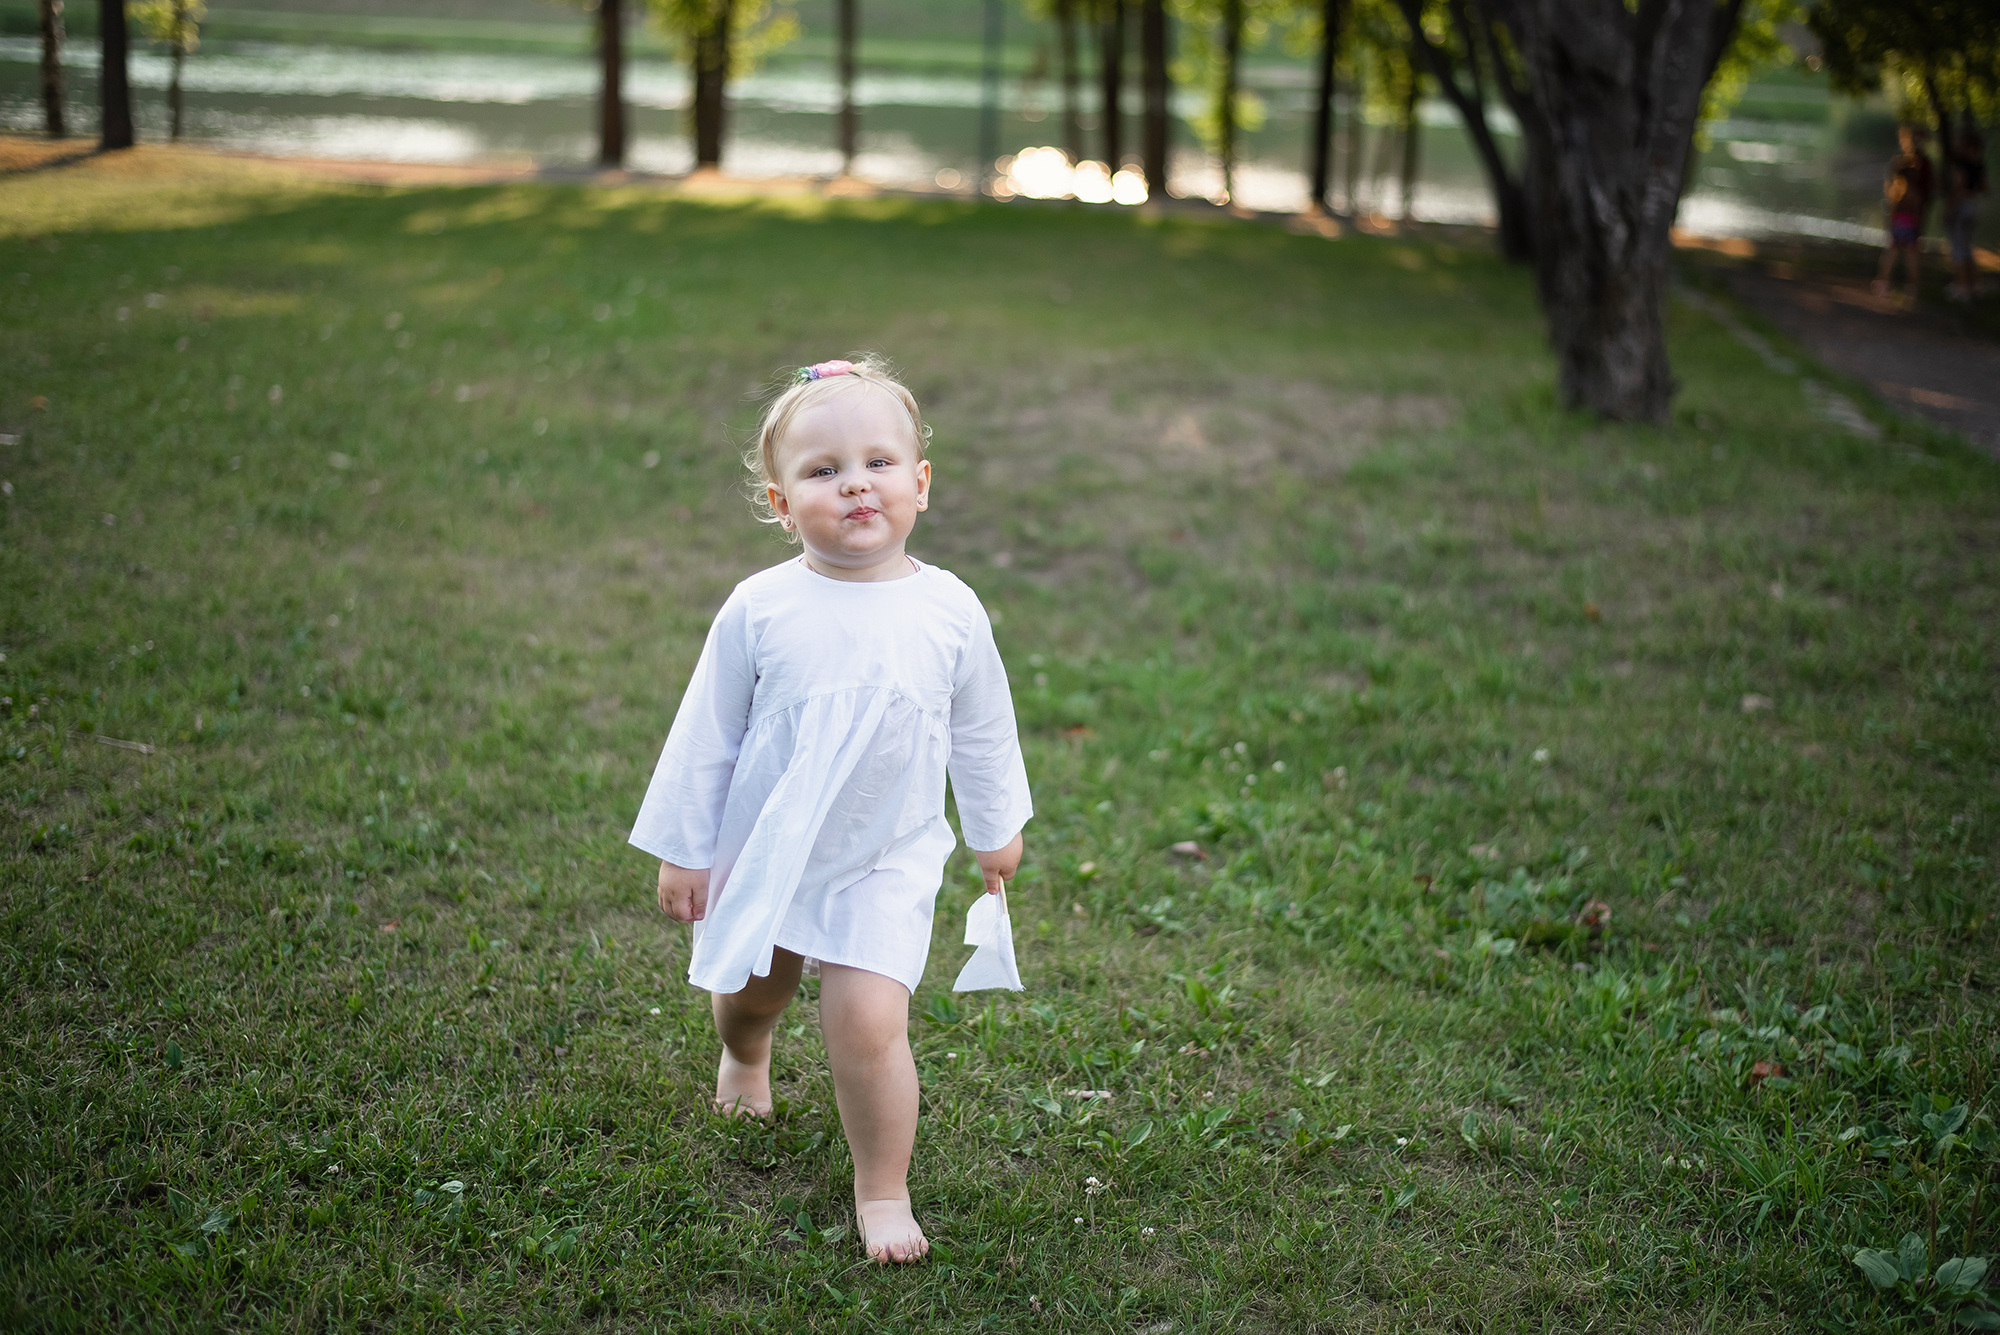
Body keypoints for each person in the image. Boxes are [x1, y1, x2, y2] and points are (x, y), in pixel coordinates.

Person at [630, 356, 1032, 1265]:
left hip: (885, 854)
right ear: (781, 503)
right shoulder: (760, 608)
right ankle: (745, 1053)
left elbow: (983, 726)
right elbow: (706, 734)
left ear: (919, 485)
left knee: (868, 1023)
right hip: (775, 846)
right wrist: (684, 850)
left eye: (879, 462)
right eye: (823, 469)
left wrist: (995, 824)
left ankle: (882, 1188)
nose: (855, 482)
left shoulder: (951, 611)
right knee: (753, 993)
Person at [1874, 124, 1935, 302]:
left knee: (1896, 251)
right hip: (1911, 218)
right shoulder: (1917, 165)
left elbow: (1890, 192)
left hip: (1902, 217)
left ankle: (1886, 284)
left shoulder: (1916, 165)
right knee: (1910, 252)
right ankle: (1910, 288)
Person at [1946, 115, 1987, 303]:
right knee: (1967, 248)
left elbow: (1959, 188)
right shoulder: (1978, 165)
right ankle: (1976, 285)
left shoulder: (1961, 165)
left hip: (1962, 207)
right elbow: (1985, 188)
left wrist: (1951, 209)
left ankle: (1961, 288)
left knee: (1959, 249)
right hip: (1973, 206)